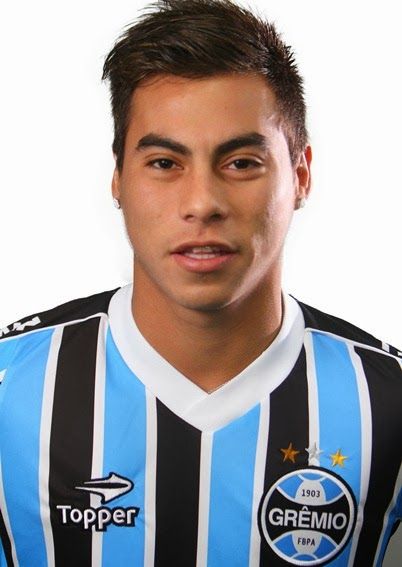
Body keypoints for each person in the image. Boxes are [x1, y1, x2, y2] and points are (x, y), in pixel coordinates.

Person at [0, 0, 400, 565]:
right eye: (165, 163)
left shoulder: (387, 400)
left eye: (241, 162)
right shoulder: (9, 387)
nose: (202, 203)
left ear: (301, 175)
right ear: (118, 179)